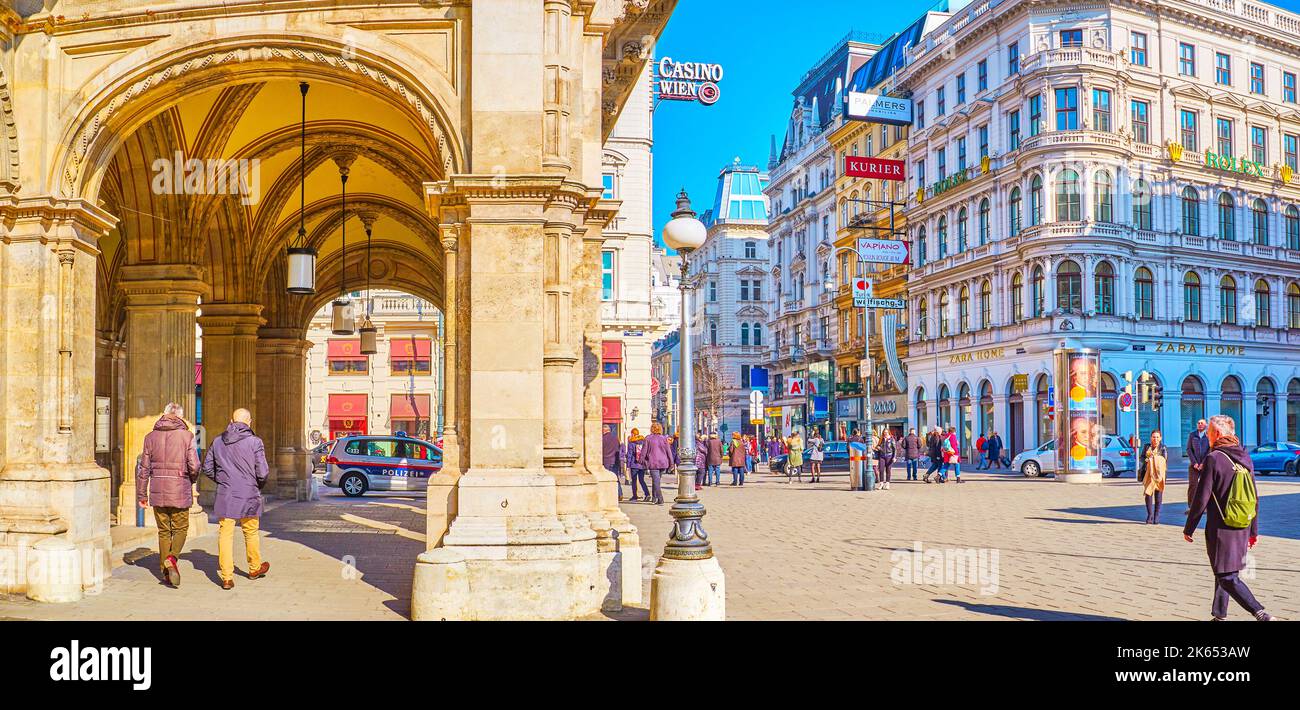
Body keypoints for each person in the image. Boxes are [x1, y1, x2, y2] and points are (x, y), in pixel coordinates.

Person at [1183, 415, 1279, 621]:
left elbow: (1201, 497)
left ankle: (1261, 613)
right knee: (1224, 571)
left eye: (1209, 432)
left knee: (1226, 576)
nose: (1207, 435)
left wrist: (1189, 528)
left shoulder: (1214, 458)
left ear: (1217, 434)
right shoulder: (1245, 457)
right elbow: (1254, 497)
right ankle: (1219, 616)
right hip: (1242, 525)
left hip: (1221, 527)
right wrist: (1253, 531)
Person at [202, 408, 270, 590]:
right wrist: (256, 485)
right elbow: (263, 472)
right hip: (249, 493)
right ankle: (255, 568)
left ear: (231, 420)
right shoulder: (255, 442)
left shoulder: (217, 441)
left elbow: (207, 467)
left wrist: (223, 480)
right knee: (251, 532)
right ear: (250, 422)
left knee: (225, 534)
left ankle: (226, 577)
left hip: (227, 494)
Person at [136, 402, 201, 588]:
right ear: (179, 416)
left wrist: (142, 494)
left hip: (157, 489)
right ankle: (171, 559)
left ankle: (166, 574)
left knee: (164, 531)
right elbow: (194, 466)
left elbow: (144, 469)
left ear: (164, 415)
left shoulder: (150, 437)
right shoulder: (187, 436)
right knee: (181, 528)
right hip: (179, 488)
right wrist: (191, 479)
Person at [638, 422, 674, 505]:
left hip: (653, 462)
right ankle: (654, 498)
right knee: (656, 480)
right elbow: (669, 452)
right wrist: (671, 463)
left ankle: (660, 498)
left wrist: (641, 460)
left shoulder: (648, 438)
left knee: (656, 481)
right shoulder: (664, 438)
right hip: (663, 462)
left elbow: (644, 451)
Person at [1140, 430, 1168, 524]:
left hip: (1159, 474)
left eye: (1157, 437)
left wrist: (1155, 459)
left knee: (1158, 495)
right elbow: (1142, 457)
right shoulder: (1147, 446)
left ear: (1160, 438)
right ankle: (1150, 515)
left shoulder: (1163, 447)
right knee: (1148, 494)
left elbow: (1164, 460)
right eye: (1153, 437)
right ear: (1151, 438)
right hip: (1148, 473)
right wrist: (1147, 460)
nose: (1155, 439)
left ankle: (1156, 515)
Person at [1185, 418, 1210, 500]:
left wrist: (1203, 463)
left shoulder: (1208, 435)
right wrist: (1194, 463)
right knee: (1193, 486)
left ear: (1206, 425)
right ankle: (1191, 507)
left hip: (1205, 465)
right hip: (1194, 465)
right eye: (1198, 423)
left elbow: (1210, 450)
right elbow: (1189, 449)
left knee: (1205, 486)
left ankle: (1205, 506)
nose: (1200, 424)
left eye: (1202, 423)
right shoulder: (1192, 435)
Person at [601, 424, 624, 501]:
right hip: (615, 461)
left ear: (604, 430)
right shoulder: (616, 438)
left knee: (606, 479)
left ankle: (608, 494)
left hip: (605, 460)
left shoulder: (602, 439)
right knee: (615, 478)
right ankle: (619, 494)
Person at [626, 428, 647, 502]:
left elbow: (629, 455)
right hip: (642, 465)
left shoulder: (631, 442)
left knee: (634, 481)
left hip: (634, 464)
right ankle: (647, 494)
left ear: (632, 434)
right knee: (642, 480)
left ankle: (635, 496)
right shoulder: (643, 441)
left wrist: (628, 465)